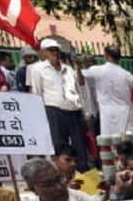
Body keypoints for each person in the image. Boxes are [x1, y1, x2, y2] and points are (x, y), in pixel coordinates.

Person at [28, 39, 90, 172]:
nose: (55, 52)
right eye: (51, 50)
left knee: (79, 144)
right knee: (58, 144)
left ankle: (82, 172)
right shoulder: (38, 69)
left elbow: (81, 84)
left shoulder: (68, 68)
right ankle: (59, 172)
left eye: (56, 50)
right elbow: (37, 93)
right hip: (54, 110)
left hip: (73, 109)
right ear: (44, 52)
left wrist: (78, 67)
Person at [80, 45, 133, 139]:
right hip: (124, 115)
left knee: (108, 143)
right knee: (124, 142)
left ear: (106, 56)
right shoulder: (127, 75)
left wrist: (78, 66)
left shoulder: (97, 70)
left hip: (107, 115)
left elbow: (80, 78)